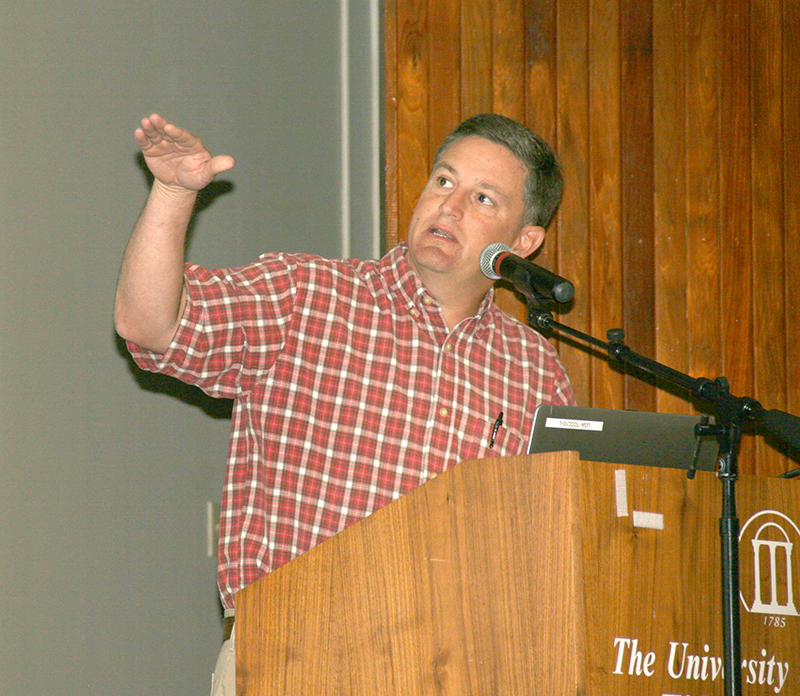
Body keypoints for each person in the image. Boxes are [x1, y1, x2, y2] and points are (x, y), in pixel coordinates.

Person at [114, 112, 575, 695]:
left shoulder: (536, 373)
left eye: (482, 198)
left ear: (525, 242)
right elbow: (150, 324)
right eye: (443, 181)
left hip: (457, 673)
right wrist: (174, 192)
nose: (449, 207)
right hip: (293, 658)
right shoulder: (306, 295)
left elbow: (543, 560)